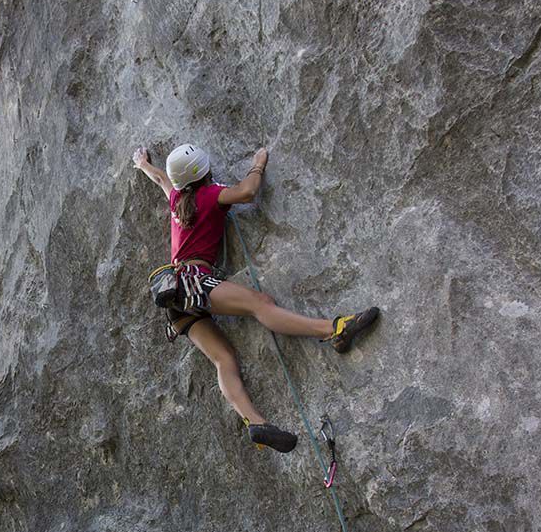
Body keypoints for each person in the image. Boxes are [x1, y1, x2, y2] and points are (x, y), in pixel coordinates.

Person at [132, 143, 379, 453]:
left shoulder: (177, 200)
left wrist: (144, 165)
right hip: (194, 282)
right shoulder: (209, 196)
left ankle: (254, 421)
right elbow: (248, 192)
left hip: (174, 298)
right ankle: (334, 329)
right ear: (203, 172)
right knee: (260, 305)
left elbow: (162, 181)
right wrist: (259, 162)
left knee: (224, 359)